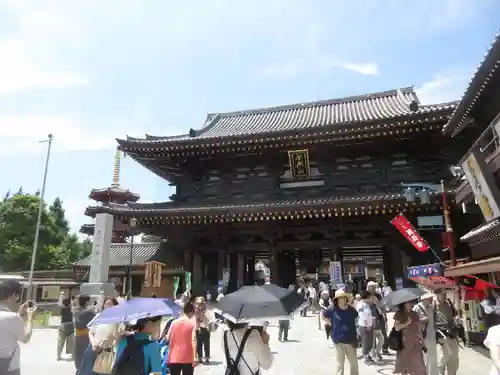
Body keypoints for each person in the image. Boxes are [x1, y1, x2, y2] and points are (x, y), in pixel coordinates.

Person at [0, 279, 35, 375]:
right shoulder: (13, 318)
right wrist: (29, 318)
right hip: (10, 367)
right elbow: (25, 338)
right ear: (10, 296)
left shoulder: (13, 317)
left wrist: (18, 314)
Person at [322, 289, 359, 375]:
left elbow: (357, 316)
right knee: (340, 365)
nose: (343, 299)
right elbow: (324, 316)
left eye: (344, 298)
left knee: (354, 364)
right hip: (338, 341)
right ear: (337, 299)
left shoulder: (351, 309)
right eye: (340, 298)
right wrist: (330, 323)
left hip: (351, 340)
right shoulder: (332, 309)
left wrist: (351, 304)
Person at [393, 300, 426, 375]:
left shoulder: (415, 314)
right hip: (404, 343)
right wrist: (406, 323)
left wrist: (422, 340)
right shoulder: (399, 314)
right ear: (404, 304)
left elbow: (418, 328)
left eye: (412, 303)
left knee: (418, 364)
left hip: (415, 342)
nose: (411, 304)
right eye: (409, 303)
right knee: (404, 365)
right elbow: (397, 327)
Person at [166, 302, 197, 375]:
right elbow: (194, 340)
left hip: (174, 356)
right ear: (191, 312)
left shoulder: (174, 322)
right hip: (188, 357)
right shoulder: (192, 324)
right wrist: (195, 357)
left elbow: (168, 338)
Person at [434, 290, 459, 375]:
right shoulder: (434, 306)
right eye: (439, 294)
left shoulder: (449, 304)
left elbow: (456, 314)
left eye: (444, 294)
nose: (442, 296)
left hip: (452, 337)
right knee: (441, 362)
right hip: (442, 339)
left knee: (453, 363)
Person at [73, 294, 96, 371]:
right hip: (87, 336)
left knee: (78, 355)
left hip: (78, 336)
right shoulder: (90, 311)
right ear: (87, 302)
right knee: (86, 356)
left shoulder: (75, 310)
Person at [194, 296, 215, 365]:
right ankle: (200, 358)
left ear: (203, 304)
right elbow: (194, 320)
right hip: (198, 328)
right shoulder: (195, 311)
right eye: (198, 303)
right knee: (198, 344)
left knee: (206, 344)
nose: (199, 305)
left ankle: (206, 358)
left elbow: (211, 320)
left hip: (206, 328)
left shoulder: (207, 311)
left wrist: (204, 316)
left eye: (200, 303)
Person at [357, 291, 374, 365]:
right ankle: (366, 358)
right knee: (366, 342)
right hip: (364, 326)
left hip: (369, 325)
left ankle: (368, 356)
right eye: (370, 297)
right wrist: (367, 325)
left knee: (370, 342)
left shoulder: (366, 304)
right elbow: (363, 316)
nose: (371, 298)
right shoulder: (361, 305)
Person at [369, 294, 385, 362]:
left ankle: (377, 352)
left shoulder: (378, 306)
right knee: (372, 343)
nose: (375, 299)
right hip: (371, 327)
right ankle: (373, 356)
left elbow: (382, 315)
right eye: (373, 298)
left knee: (381, 340)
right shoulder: (368, 306)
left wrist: (379, 309)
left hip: (378, 327)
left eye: (376, 298)